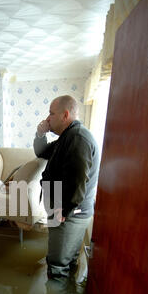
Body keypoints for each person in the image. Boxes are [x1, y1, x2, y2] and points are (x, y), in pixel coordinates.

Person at [34, 95, 100, 282]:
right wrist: (40, 135)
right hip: (66, 211)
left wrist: (64, 210)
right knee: (66, 260)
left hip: (68, 214)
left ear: (65, 115)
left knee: (57, 265)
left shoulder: (77, 138)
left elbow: (78, 180)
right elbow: (41, 152)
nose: (47, 118)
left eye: (51, 114)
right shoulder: (68, 136)